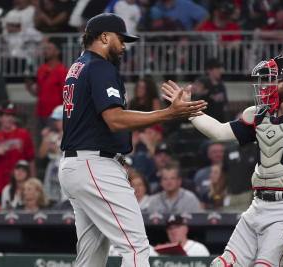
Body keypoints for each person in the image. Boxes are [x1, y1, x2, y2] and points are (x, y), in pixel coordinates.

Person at [58, 13, 207, 267]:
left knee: (91, 255)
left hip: (78, 165)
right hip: (95, 165)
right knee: (136, 246)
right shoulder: (99, 66)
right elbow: (115, 119)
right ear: (104, 37)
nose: (124, 46)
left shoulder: (78, 66)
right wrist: (169, 113)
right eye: (121, 39)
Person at [162, 55, 283, 267]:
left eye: (273, 79)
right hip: (257, 205)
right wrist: (189, 110)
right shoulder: (260, 116)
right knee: (222, 264)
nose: (266, 86)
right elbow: (219, 131)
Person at [0, 102, 35, 198]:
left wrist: (32, 180)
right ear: (0, 117)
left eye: (12, 115)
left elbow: (31, 160)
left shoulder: (24, 134)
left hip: (20, 184)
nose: (10, 118)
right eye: (6, 115)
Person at [25, 37, 68, 135]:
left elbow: (66, 95)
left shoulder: (62, 71)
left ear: (57, 52)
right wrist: (29, 87)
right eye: (45, 48)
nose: (46, 51)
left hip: (55, 115)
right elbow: (39, 93)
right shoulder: (41, 69)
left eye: (49, 48)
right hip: (40, 113)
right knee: (39, 141)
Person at [39, 105, 64, 205]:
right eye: (55, 120)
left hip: (65, 167)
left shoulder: (73, 135)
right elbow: (41, 155)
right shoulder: (52, 135)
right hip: (52, 169)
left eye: (59, 119)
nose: (56, 123)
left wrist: (58, 149)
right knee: (51, 197)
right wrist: (45, 139)